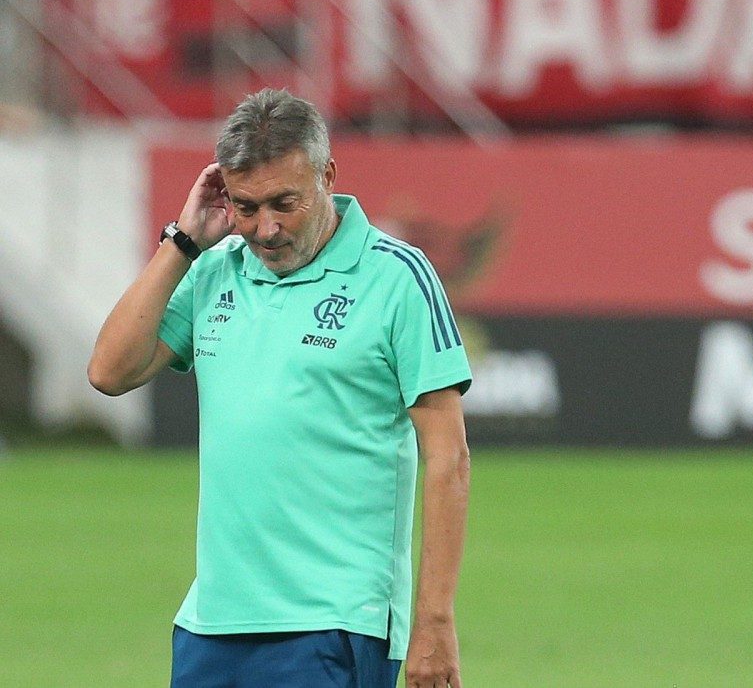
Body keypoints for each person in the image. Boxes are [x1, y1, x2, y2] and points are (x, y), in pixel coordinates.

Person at [88, 89, 472, 688]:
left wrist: (435, 621)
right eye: (245, 206)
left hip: (336, 622)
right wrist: (184, 242)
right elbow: (109, 372)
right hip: (211, 622)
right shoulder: (214, 269)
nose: (265, 229)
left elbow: (449, 458)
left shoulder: (397, 276)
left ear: (327, 176)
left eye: (284, 203)